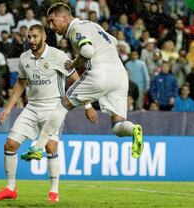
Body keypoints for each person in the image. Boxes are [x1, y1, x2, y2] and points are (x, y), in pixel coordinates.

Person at [21, 3, 144, 161]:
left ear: (65, 18)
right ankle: (134, 129)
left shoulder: (75, 30)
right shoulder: (91, 24)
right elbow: (113, 41)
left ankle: (37, 148)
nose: (51, 26)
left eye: (53, 21)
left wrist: (73, 63)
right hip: (120, 75)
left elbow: (87, 51)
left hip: (100, 72)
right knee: (118, 126)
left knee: (63, 104)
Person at [0, 24, 80, 203]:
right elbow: (20, 84)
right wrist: (8, 108)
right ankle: (10, 188)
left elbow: (77, 79)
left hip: (53, 107)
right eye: (29, 37)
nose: (31, 40)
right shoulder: (24, 58)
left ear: (44, 37)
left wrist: (88, 105)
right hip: (31, 107)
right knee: (10, 145)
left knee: (50, 147)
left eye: (35, 36)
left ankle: (54, 191)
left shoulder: (58, 56)